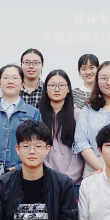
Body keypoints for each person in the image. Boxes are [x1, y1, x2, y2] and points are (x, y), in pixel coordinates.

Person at [0, 64, 43, 189]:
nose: (10, 81)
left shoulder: (33, 113)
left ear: (22, 83)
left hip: (23, 178)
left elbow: (39, 145)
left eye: (15, 78)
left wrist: (21, 168)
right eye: (6, 78)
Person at [38, 70, 85, 200]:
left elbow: (81, 149)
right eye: (52, 85)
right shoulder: (38, 115)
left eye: (61, 85)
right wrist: (52, 176)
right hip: (45, 181)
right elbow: (37, 149)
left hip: (74, 183)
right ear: (45, 89)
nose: (57, 89)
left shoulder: (78, 115)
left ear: (68, 88)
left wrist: (68, 178)